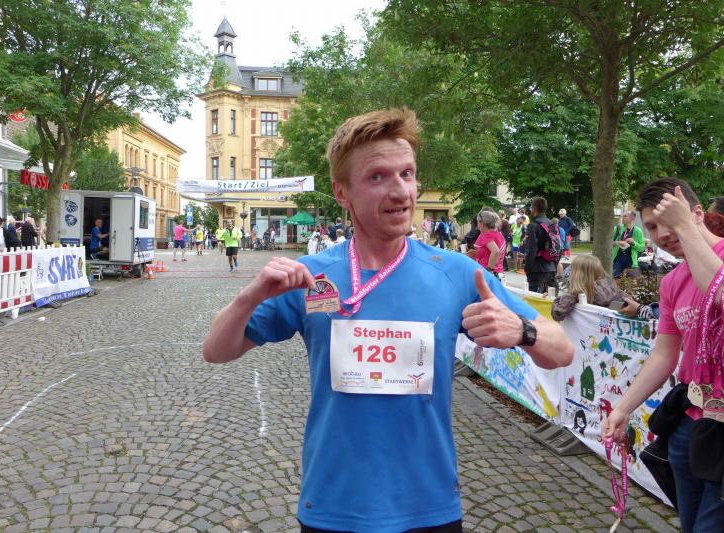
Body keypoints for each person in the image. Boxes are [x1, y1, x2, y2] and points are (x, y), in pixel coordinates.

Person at [203, 108, 573, 533]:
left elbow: (561, 351)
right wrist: (249, 296)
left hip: (429, 508)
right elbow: (216, 351)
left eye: (407, 174)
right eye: (377, 176)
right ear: (342, 192)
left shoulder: (456, 273)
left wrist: (523, 331)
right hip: (333, 506)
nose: (400, 191)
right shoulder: (311, 276)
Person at [603, 178, 724, 532]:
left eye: (669, 220)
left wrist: (684, 226)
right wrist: (623, 408)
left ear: (697, 213)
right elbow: (664, 355)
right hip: (691, 422)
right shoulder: (672, 282)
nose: (662, 234)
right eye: (652, 227)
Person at [550, 255, 653, 321]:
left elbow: (558, 313)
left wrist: (559, 299)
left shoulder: (576, 292)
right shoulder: (610, 286)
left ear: (576, 274)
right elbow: (628, 300)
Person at [523, 197, 557, 293]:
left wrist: (527, 267)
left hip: (537, 268)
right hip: (550, 267)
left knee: (535, 297)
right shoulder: (551, 224)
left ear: (534, 209)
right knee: (550, 298)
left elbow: (531, 249)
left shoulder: (533, 225)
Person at [612, 210, 646, 278]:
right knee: (615, 278)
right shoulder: (617, 229)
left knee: (630, 281)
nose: (623, 218)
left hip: (631, 260)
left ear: (632, 218)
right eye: (622, 216)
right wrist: (618, 242)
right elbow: (608, 243)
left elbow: (642, 248)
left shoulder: (638, 231)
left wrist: (634, 243)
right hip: (617, 258)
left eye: (625, 216)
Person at [473, 210, 505, 280]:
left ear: (482, 223)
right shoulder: (498, 234)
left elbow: (495, 251)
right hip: (499, 272)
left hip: (487, 274)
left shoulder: (486, 235)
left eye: (478, 222)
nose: (477, 225)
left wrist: (489, 271)